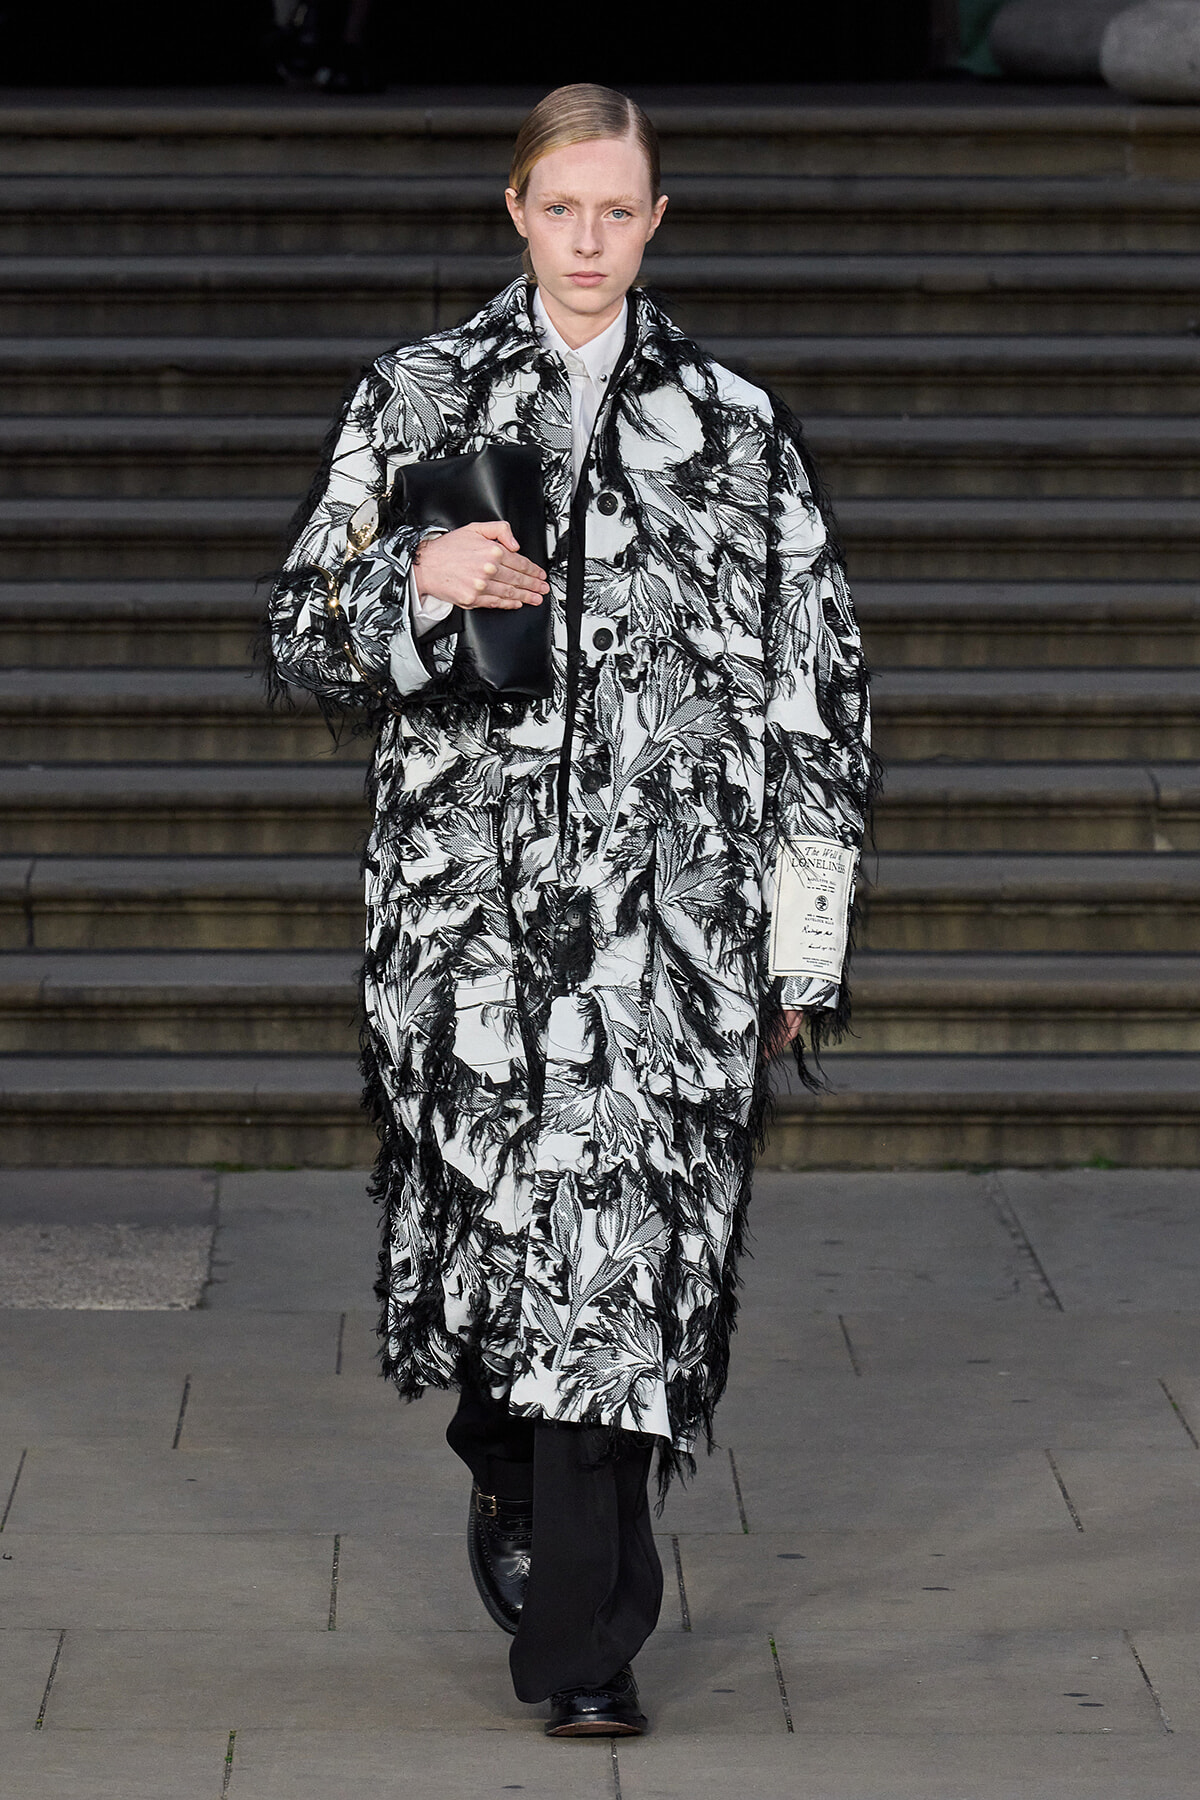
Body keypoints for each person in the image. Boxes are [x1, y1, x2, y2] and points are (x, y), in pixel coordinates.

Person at [264, 83, 874, 1736]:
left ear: (657, 219)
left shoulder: (736, 428)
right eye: (565, 209)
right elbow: (301, 638)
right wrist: (414, 584)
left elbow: (814, 687)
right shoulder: (421, 397)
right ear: (516, 210)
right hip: (462, 922)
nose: (593, 242)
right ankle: (505, 1456)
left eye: (623, 212)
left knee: (621, 1267)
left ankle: (588, 1649)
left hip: (669, 930)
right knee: (485, 1253)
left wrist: (800, 932)